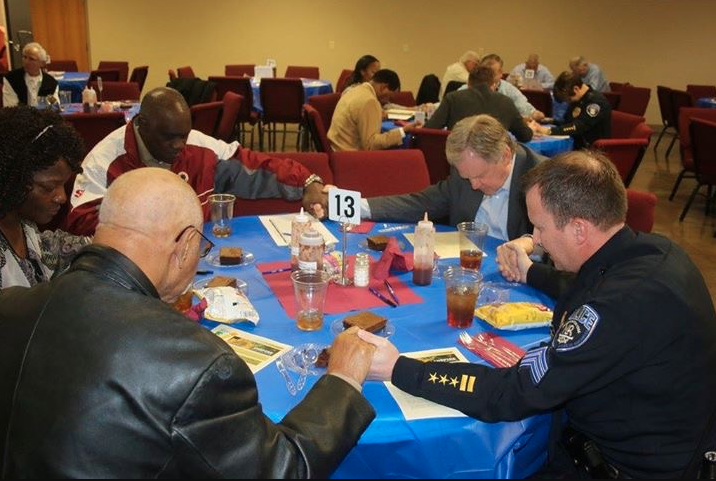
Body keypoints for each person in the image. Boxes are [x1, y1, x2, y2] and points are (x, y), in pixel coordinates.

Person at [358, 151, 716, 478]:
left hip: (615, 468)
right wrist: (531, 272)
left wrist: (399, 368)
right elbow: (589, 284)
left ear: (579, 228)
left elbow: (515, 392)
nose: (536, 239)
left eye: (540, 227)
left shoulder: (620, 306)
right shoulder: (652, 253)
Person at [0, 167, 377, 478]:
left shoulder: (10, 305)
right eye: (201, 248)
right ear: (184, 244)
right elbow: (284, 470)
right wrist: (342, 380)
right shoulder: (194, 361)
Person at [66, 87, 327, 235]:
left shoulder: (197, 144)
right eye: (170, 138)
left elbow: (252, 164)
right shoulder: (104, 160)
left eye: (183, 136)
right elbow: (81, 221)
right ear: (141, 125)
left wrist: (307, 181)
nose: (180, 146)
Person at [315, 115, 544, 241]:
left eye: (480, 176)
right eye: (466, 177)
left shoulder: (544, 178)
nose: (473, 185)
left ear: (505, 155)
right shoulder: (465, 174)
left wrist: (532, 247)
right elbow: (418, 202)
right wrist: (344, 204)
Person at [0, 106, 90, 289]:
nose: (62, 197)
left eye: (63, 185)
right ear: (12, 178)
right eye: (49, 187)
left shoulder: (23, 222)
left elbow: (48, 247)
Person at [425, 65, 536, 142]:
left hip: (457, 161)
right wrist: (531, 128)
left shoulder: (453, 98)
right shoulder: (506, 102)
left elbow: (429, 129)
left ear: (468, 84)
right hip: (493, 164)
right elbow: (524, 136)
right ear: (493, 85)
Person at [327, 69, 421, 152]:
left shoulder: (355, 90)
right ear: (384, 87)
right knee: (405, 158)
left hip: (336, 147)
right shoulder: (370, 101)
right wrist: (403, 131)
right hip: (350, 155)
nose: (387, 101)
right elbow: (371, 145)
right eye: (389, 96)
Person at [534, 71, 611, 149]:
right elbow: (569, 123)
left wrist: (549, 131)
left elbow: (578, 126)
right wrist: (551, 121)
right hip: (577, 145)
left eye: (569, 99)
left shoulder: (596, 102)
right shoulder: (579, 99)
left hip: (591, 150)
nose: (568, 102)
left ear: (576, 89)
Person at [480, 54, 545, 121]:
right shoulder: (472, 88)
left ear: (501, 73)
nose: (488, 76)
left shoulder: (508, 89)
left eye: (492, 73)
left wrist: (533, 113)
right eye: (486, 72)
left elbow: (521, 103)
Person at [2, 42, 59, 107]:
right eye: (24, 57)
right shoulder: (11, 79)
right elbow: (10, 108)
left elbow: (55, 107)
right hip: (19, 116)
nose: (26, 61)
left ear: (42, 63)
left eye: (31, 59)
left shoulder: (51, 83)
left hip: (44, 116)